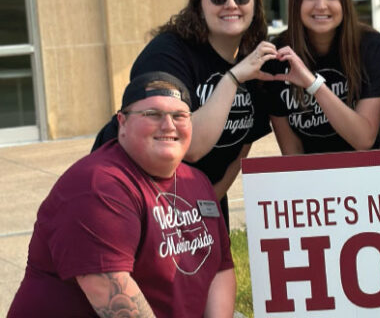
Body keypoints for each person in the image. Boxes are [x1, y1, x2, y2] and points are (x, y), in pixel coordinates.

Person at [9, 72, 235, 317]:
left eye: (179, 116)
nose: (169, 125)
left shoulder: (197, 181)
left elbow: (220, 267)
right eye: (153, 114)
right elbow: (108, 290)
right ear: (122, 122)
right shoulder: (97, 185)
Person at [92, 0, 278, 228]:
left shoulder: (254, 58)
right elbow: (187, 148)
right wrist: (233, 78)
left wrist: (208, 202)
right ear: (198, 7)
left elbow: (242, 146)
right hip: (132, 192)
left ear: (255, 4)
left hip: (202, 193)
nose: (231, 4)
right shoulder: (168, 53)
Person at [265, 0, 380, 154]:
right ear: (295, 2)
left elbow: (364, 139)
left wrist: (313, 84)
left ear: (345, 2)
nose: (321, 6)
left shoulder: (372, 46)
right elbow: (291, 151)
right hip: (315, 173)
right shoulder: (278, 56)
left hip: (373, 167)